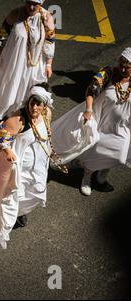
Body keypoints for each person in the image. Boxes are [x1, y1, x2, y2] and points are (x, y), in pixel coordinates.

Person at [0, 85, 60, 254]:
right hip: (15, 169)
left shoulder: (46, 115)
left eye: (39, 104)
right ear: (28, 100)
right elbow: (0, 138)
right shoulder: (17, 120)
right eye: (33, 102)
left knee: (34, 193)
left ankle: (19, 211)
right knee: (5, 202)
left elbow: (46, 134)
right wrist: (8, 150)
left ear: (45, 106)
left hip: (37, 167)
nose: (34, 107)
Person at [52, 48, 131, 196]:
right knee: (96, 147)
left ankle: (102, 172)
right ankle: (87, 175)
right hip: (101, 117)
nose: (122, 69)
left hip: (123, 125)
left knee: (120, 155)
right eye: (121, 64)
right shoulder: (109, 72)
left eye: (127, 67)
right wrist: (88, 110)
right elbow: (92, 89)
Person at [0, 0, 55, 123]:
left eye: (35, 4)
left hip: (35, 63)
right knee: (9, 90)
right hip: (14, 61)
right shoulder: (15, 14)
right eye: (29, 3)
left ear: (41, 3)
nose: (31, 7)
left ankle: (20, 118)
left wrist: (49, 64)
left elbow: (50, 43)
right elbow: (2, 37)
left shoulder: (47, 18)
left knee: (28, 91)